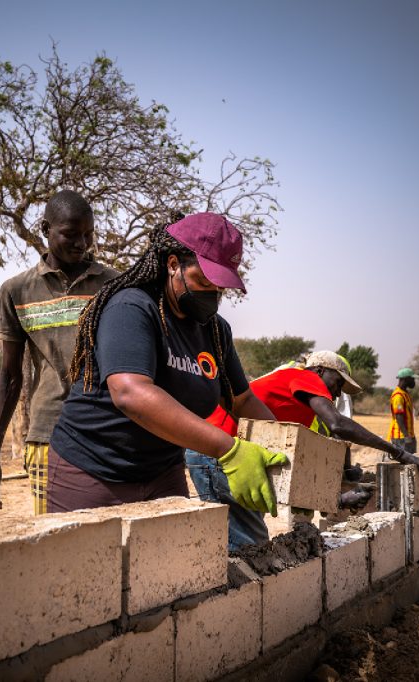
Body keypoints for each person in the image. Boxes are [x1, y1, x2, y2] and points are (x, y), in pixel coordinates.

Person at [46, 213, 287, 516]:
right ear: (173, 264)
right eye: (203, 281)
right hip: (93, 471)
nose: (212, 294)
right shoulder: (131, 307)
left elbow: (243, 400)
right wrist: (228, 448)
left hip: (163, 472)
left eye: (219, 287)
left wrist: (289, 449)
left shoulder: (214, 331)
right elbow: (130, 393)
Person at [194, 350, 419, 551]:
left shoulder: (300, 413)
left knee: (238, 537)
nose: (337, 394)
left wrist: (338, 499)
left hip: (227, 455)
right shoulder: (304, 377)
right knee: (250, 544)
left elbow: (296, 472)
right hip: (220, 451)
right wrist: (397, 452)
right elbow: (339, 424)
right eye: (337, 383)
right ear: (319, 370)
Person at [0, 190, 118, 514]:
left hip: (108, 432)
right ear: (45, 229)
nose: (82, 244)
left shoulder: (114, 284)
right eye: (71, 234)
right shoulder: (17, 291)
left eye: (88, 235)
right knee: (56, 540)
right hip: (48, 435)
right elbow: (11, 377)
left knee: (111, 539)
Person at [389, 368, 417, 454]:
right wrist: (407, 436)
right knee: (405, 464)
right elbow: (399, 417)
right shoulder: (398, 396)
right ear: (405, 379)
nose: (414, 381)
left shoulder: (405, 394)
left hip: (408, 436)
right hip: (401, 438)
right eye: (412, 379)